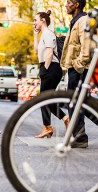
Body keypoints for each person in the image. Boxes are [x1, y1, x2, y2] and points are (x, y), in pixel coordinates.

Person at [60, 0, 98, 148]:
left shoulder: (83, 20)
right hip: (77, 67)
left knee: (75, 103)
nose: (66, 5)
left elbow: (88, 46)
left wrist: (79, 63)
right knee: (81, 102)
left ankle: (80, 138)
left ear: (77, 5)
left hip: (80, 68)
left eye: (69, 2)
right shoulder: (76, 21)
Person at [33, 10, 69, 139]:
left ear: (43, 20)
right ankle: (64, 119)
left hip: (51, 68)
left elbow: (49, 53)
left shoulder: (48, 34)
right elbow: (36, 50)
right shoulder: (44, 35)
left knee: (43, 98)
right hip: (48, 67)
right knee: (46, 99)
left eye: (36, 20)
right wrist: (35, 35)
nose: (34, 23)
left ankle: (48, 127)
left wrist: (45, 70)